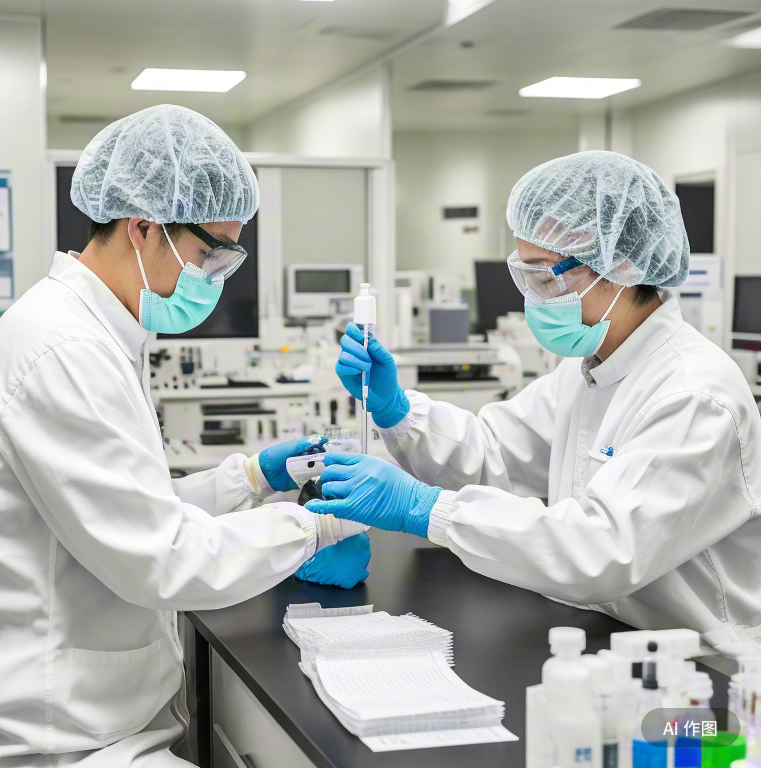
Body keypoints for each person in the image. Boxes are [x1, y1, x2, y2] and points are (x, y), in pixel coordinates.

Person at [0, 105, 369, 767]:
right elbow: (163, 557)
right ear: (142, 228)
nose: (214, 278)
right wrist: (320, 523)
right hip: (68, 737)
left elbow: (130, 504)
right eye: (208, 254)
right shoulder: (63, 348)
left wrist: (250, 478)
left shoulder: (98, 330)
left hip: (105, 714)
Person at [310, 150, 761, 660]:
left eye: (547, 279)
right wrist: (398, 411)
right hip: (603, 639)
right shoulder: (590, 367)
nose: (535, 299)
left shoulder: (694, 395)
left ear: (623, 266)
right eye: (526, 277)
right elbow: (494, 453)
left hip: (703, 668)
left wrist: (426, 508)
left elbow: (603, 550)